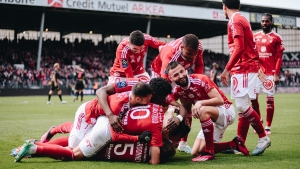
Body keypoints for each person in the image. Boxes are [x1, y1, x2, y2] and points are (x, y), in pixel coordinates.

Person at [15, 102, 165, 164]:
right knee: (73, 152)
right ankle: (35, 148)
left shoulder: (149, 105)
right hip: (101, 123)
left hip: (100, 115)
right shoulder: (155, 128)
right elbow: (115, 135)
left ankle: (36, 144)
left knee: (74, 138)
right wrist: (138, 138)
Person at [166, 61, 246, 161]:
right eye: (176, 75)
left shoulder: (201, 79)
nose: (181, 75)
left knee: (202, 110)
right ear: (171, 78)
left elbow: (219, 100)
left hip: (226, 111)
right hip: (211, 117)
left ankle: (210, 152)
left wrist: (200, 103)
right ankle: (234, 144)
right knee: (196, 151)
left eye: (182, 71)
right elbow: (170, 103)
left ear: (185, 70)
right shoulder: (179, 90)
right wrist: (177, 115)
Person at [220, 0, 271, 156]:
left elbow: (240, 48)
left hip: (243, 68)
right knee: (243, 108)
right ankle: (240, 142)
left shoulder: (234, 20)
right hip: (247, 67)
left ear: (224, 6)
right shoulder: (241, 18)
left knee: (242, 106)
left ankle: (263, 138)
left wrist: (226, 69)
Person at [151, 34, 204, 153]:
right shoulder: (170, 56)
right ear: (182, 48)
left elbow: (199, 65)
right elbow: (165, 88)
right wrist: (174, 105)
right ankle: (159, 137)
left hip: (180, 72)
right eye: (189, 53)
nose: (193, 56)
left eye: (195, 53)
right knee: (162, 105)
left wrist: (196, 83)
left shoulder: (198, 47)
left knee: (187, 104)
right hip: (161, 75)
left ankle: (183, 142)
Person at [96, 77, 187, 134]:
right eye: (162, 98)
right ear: (154, 95)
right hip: (107, 113)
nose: (165, 100)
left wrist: (178, 118)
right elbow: (101, 91)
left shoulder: (162, 96)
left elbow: (181, 107)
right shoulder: (135, 84)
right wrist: (110, 115)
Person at [252, 13, 285, 135]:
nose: (264, 23)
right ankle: (259, 122)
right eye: (263, 21)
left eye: (267, 21)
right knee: (253, 99)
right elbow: (252, 55)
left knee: (269, 100)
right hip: (257, 73)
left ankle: (268, 126)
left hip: (270, 74)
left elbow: (279, 58)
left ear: (271, 22)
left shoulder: (277, 38)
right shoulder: (254, 37)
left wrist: (276, 74)